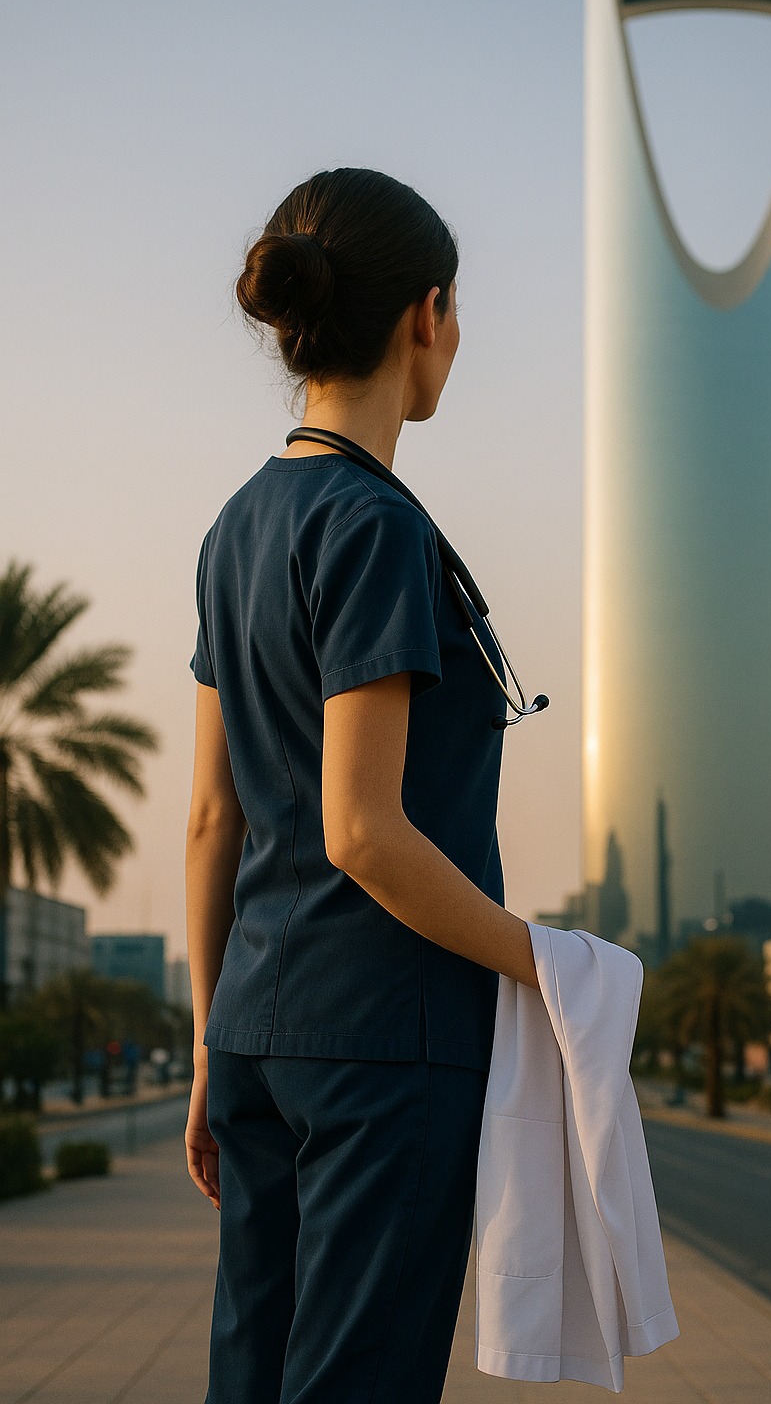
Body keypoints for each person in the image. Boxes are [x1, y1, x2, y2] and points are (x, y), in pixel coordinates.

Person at [184, 166, 542, 1404]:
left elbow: (210, 820)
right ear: (425, 316)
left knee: (255, 1376)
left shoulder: (235, 528)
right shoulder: (375, 525)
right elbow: (363, 829)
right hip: (386, 1043)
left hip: (256, 1035)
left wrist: (204, 1045)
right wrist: (542, 961)